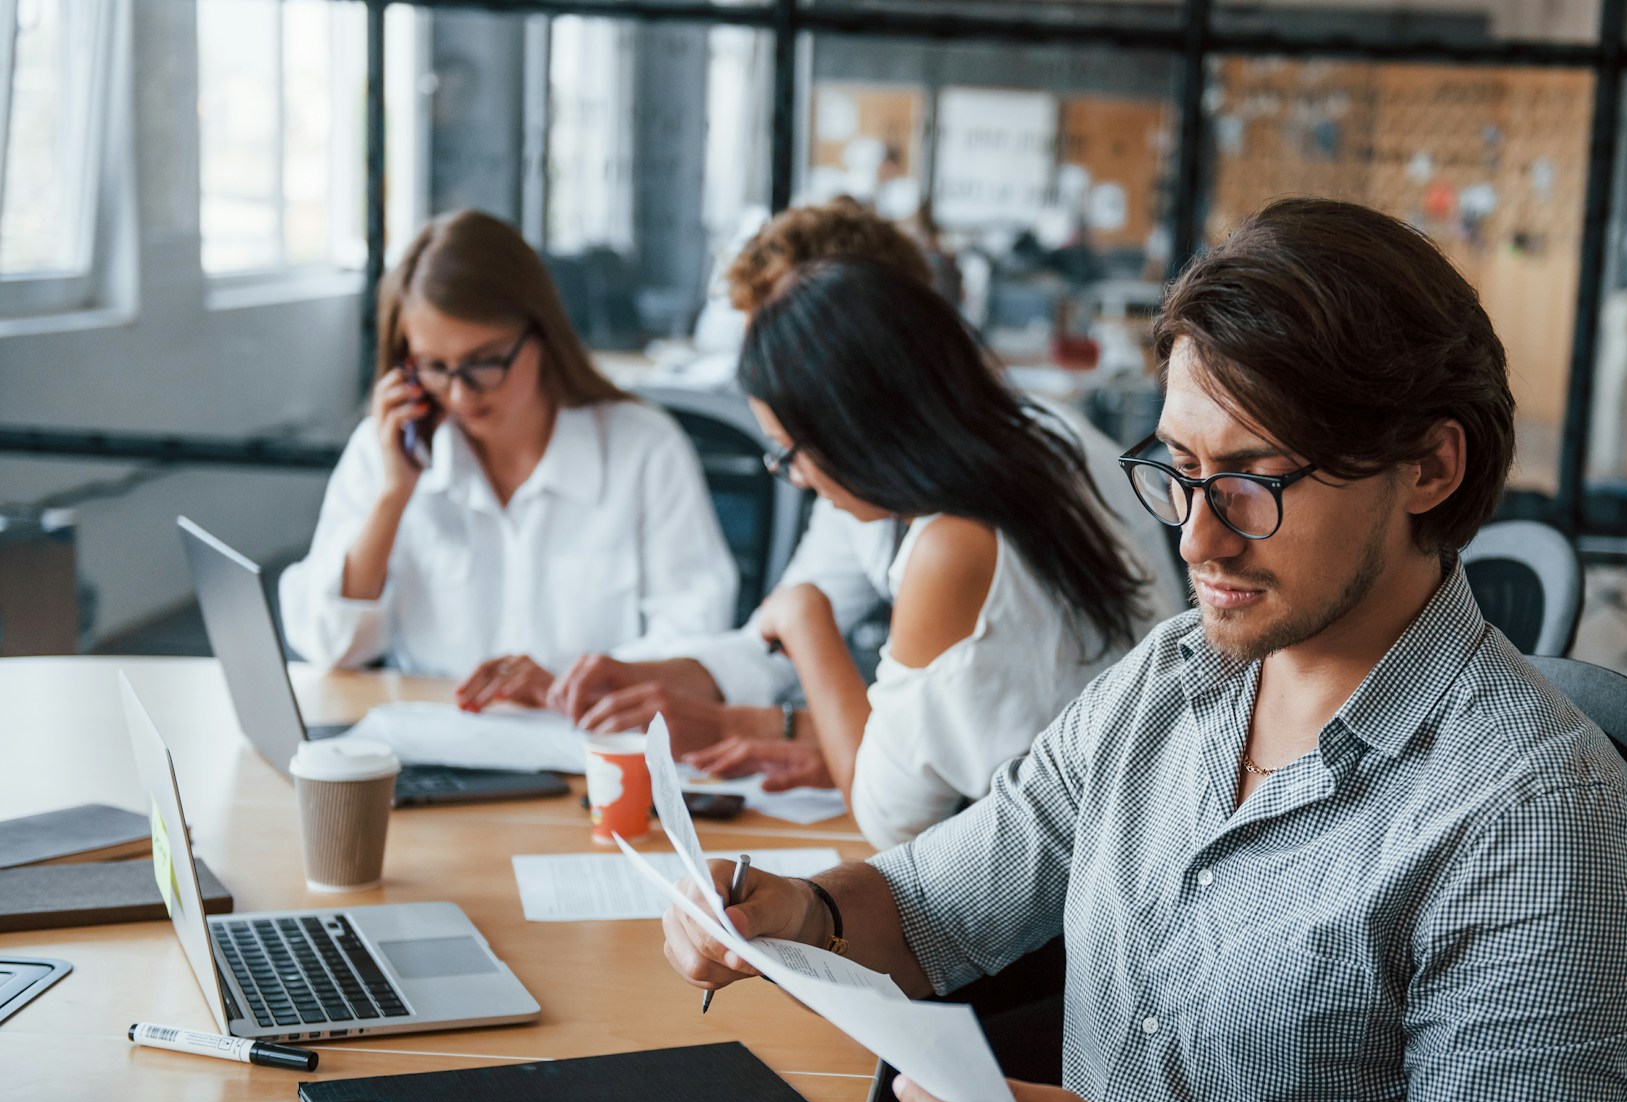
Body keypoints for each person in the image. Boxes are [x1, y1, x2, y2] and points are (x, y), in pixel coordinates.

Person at [662, 199, 1627, 1102]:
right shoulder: (1174, 678)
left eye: (1255, 480)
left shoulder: (1539, 827)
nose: (1199, 535)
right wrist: (800, 909)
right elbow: (931, 906)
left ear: (1430, 467)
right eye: (1180, 471)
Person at [542, 198, 1185, 752]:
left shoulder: (1033, 476)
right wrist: (627, 676)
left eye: (805, 346)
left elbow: (925, 779)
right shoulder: (872, 475)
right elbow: (781, 634)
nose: (777, 383)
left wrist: (777, 727)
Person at [687, 255, 1159, 849]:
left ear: (853, 428)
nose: (798, 479)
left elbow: (890, 821)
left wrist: (807, 618)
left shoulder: (951, 546)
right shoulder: (1041, 457)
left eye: (789, 454)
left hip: (1049, 914)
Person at [279, 210, 735, 701]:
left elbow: (695, 636)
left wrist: (564, 688)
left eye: (484, 361)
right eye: (434, 367)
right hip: (435, 741)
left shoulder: (645, 448)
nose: (460, 394)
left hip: (589, 745)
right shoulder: (388, 449)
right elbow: (328, 644)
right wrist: (393, 497)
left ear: (540, 334)